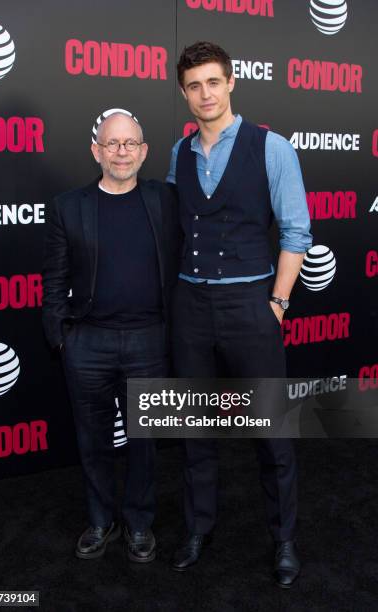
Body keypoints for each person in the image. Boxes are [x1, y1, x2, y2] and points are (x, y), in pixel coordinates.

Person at [167, 42, 312, 587]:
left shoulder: (272, 148)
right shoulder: (178, 154)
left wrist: (276, 301)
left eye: (212, 82)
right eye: (193, 86)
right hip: (191, 307)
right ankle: (198, 528)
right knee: (193, 429)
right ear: (184, 94)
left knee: (270, 432)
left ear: (231, 83)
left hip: (251, 302)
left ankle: (284, 541)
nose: (204, 94)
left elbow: (296, 231)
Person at [42, 110, 180, 563]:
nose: (121, 152)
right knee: (92, 439)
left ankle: (139, 522)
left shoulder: (167, 200)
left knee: (145, 443)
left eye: (130, 144)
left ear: (143, 152)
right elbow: (55, 277)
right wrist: (62, 337)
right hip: (88, 342)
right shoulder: (68, 206)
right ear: (95, 150)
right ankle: (101, 520)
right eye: (111, 143)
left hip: (150, 342)